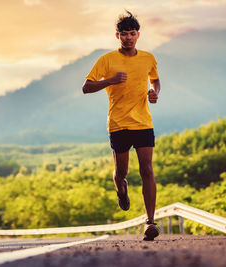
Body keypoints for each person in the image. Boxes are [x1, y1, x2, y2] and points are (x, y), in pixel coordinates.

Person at [82, 11, 161, 241]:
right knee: (122, 173)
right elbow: (86, 87)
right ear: (117, 36)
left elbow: (155, 80)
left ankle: (150, 222)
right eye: (124, 34)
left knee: (147, 169)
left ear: (138, 35)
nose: (128, 37)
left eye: (132, 33)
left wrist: (154, 93)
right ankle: (121, 188)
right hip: (118, 124)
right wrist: (110, 80)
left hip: (143, 122)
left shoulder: (148, 58)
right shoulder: (107, 60)